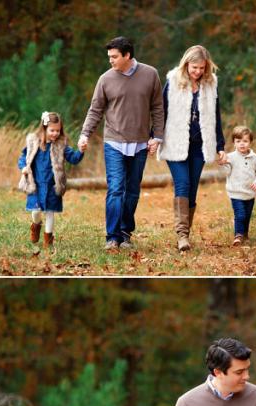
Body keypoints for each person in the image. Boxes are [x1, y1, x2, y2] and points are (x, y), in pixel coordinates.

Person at [78, 37, 164, 251]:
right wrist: (84, 134)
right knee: (116, 189)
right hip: (114, 142)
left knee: (132, 190)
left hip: (141, 143)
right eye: (109, 57)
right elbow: (95, 110)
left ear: (127, 55)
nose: (111, 61)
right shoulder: (105, 79)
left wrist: (158, 137)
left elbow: (158, 108)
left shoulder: (150, 74)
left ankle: (125, 233)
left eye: (114, 57)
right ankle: (112, 237)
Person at [158, 45, 226, 252]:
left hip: (199, 145)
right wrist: (155, 137)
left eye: (201, 68)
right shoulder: (173, 81)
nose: (197, 72)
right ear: (186, 63)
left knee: (193, 190)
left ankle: (185, 231)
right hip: (176, 143)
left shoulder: (210, 84)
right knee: (183, 184)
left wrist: (220, 145)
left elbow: (216, 116)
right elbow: (161, 111)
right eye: (194, 67)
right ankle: (182, 236)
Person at [17, 111, 84, 255]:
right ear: (44, 128)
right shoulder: (33, 141)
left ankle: (48, 240)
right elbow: (23, 156)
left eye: (58, 130)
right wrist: (23, 167)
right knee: (36, 211)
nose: (55, 133)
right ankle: (36, 225)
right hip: (36, 184)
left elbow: (74, 158)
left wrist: (81, 150)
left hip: (52, 185)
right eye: (52, 130)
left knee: (50, 212)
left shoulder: (61, 145)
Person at [219, 125, 256, 246]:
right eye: (238, 141)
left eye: (245, 141)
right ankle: (238, 235)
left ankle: (245, 233)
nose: (242, 144)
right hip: (236, 193)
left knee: (247, 215)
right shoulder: (230, 157)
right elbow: (226, 172)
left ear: (250, 142)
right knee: (240, 214)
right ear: (234, 143)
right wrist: (224, 164)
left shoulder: (255, 159)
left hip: (250, 193)